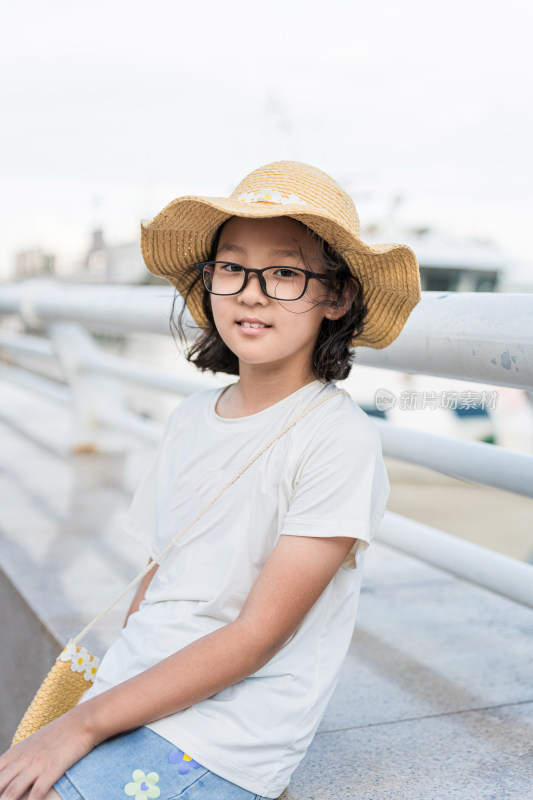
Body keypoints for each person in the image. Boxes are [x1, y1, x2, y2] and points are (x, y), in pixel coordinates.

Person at [0, 160, 421, 800]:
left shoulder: (339, 440)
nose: (252, 292)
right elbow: (156, 581)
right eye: (232, 267)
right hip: (142, 688)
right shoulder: (191, 418)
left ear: (335, 296)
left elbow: (255, 638)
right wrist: (106, 697)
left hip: (228, 734)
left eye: (285, 271)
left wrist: (83, 726)